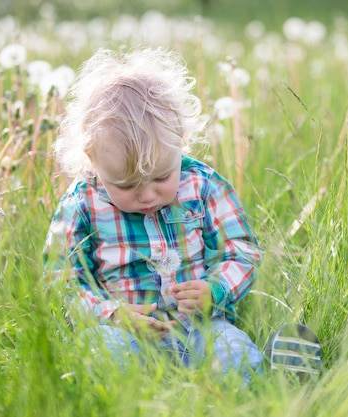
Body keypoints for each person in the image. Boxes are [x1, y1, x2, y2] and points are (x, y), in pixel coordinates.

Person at [43, 47, 263, 383]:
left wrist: (216, 289)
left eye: (161, 177)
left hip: (201, 326)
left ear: (180, 138)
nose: (147, 195)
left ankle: (274, 376)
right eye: (126, 184)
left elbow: (241, 248)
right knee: (99, 354)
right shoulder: (82, 203)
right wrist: (111, 313)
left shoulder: (203, 186)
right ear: (91, 157)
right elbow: (60, 279)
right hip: (122, 334)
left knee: (235, 355)